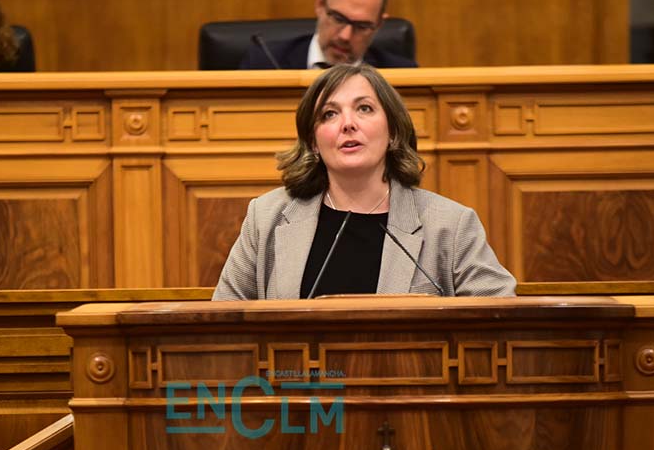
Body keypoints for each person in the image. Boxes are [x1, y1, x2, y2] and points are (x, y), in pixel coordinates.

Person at [213, 64, 515, 300]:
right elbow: (223, 324)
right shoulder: (266, 217)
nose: (348, 123)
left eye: (364, 108)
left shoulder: (450, 226)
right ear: (314, 142)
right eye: (329, 114)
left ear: (393, 131)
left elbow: (501, 316)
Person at [239, 0, 418, 70]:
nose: (345, 36)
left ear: (378, 24)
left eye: (362, 27)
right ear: (320, 4)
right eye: (338, 19)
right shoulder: (264, 62)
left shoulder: (402, 77)